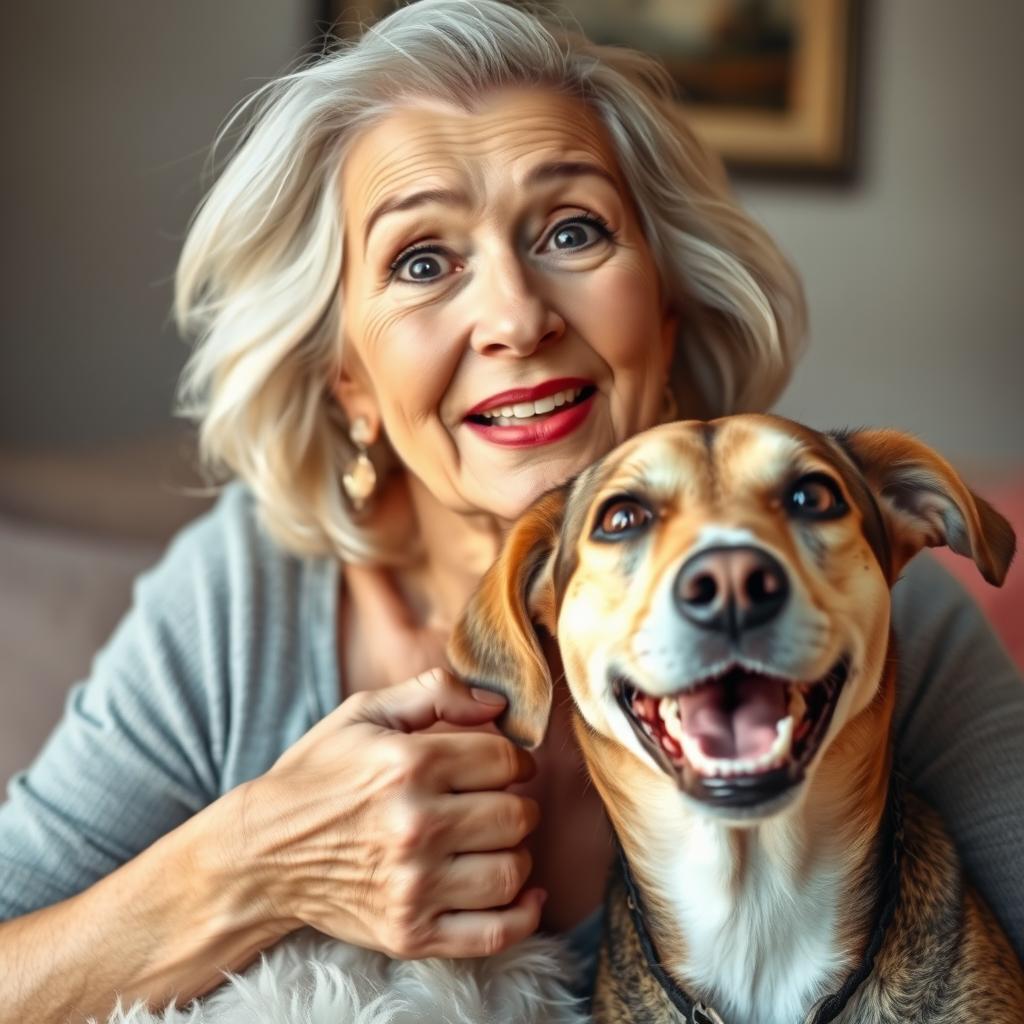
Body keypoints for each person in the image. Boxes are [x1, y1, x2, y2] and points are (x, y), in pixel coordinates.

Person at [1, 1, 1021, 1020]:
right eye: (421, 261)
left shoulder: (828, 589)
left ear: (663, 320)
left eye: (572, 230)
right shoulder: (241, 603)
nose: (517, 319)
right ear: (348, 379)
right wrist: (255, 867)